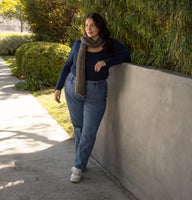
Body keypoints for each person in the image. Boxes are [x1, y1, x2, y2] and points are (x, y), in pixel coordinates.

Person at [54, 13, 131, 183]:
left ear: (99, 27)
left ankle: (78, 166)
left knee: (89, 132)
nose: (88, 29)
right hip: (73, 87)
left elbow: (126, 56)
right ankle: (80, 162)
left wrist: (106, 62)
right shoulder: (78, 44)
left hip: (96, 92)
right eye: (86, 25)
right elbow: (68, 65)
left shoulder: (109, 45)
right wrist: (58, 87)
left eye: (92, 25)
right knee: (79, 127)